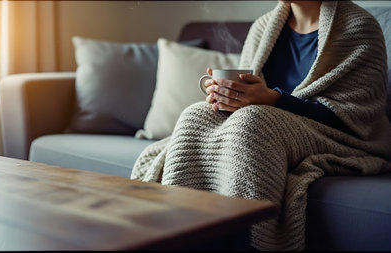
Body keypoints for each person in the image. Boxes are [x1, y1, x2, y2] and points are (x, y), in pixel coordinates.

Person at [131, 0, 391, 251]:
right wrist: (227, 98)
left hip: (338, 135)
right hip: (266, 123)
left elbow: (356, 115)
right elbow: (249, 97)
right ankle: (179, 230)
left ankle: (250, 240)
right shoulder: (262, 27)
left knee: (253, 121)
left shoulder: (359, 27)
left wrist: (274, 99)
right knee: (195, 114)